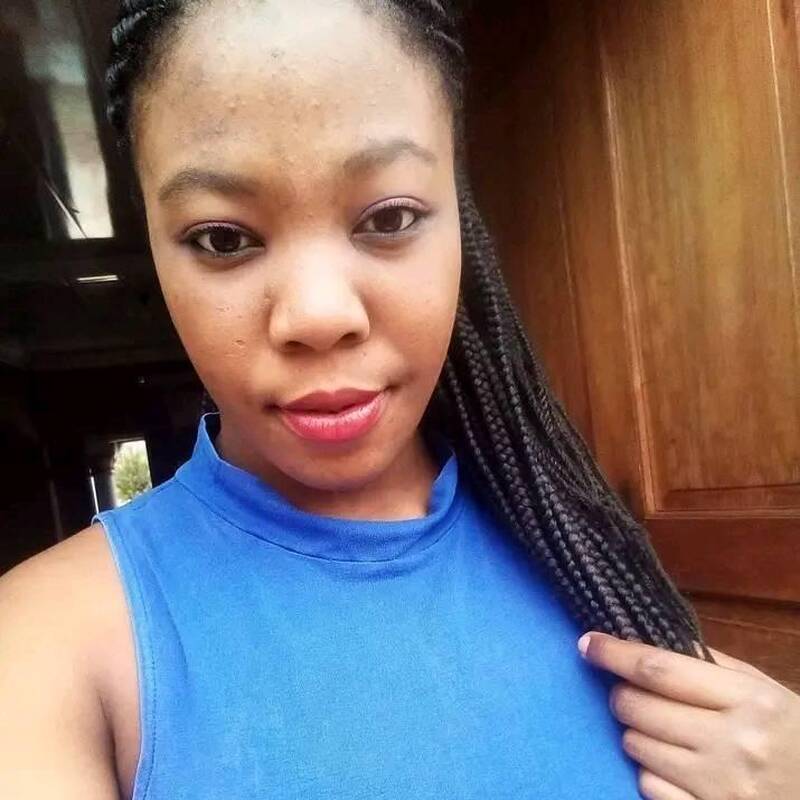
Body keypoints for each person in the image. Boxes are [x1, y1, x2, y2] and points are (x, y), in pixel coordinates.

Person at [1, 1, 798, 798]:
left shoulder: (580, 547)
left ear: (461, 224)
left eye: (389, 217)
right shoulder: (45, 646)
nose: (318, 314)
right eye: (223, 238)